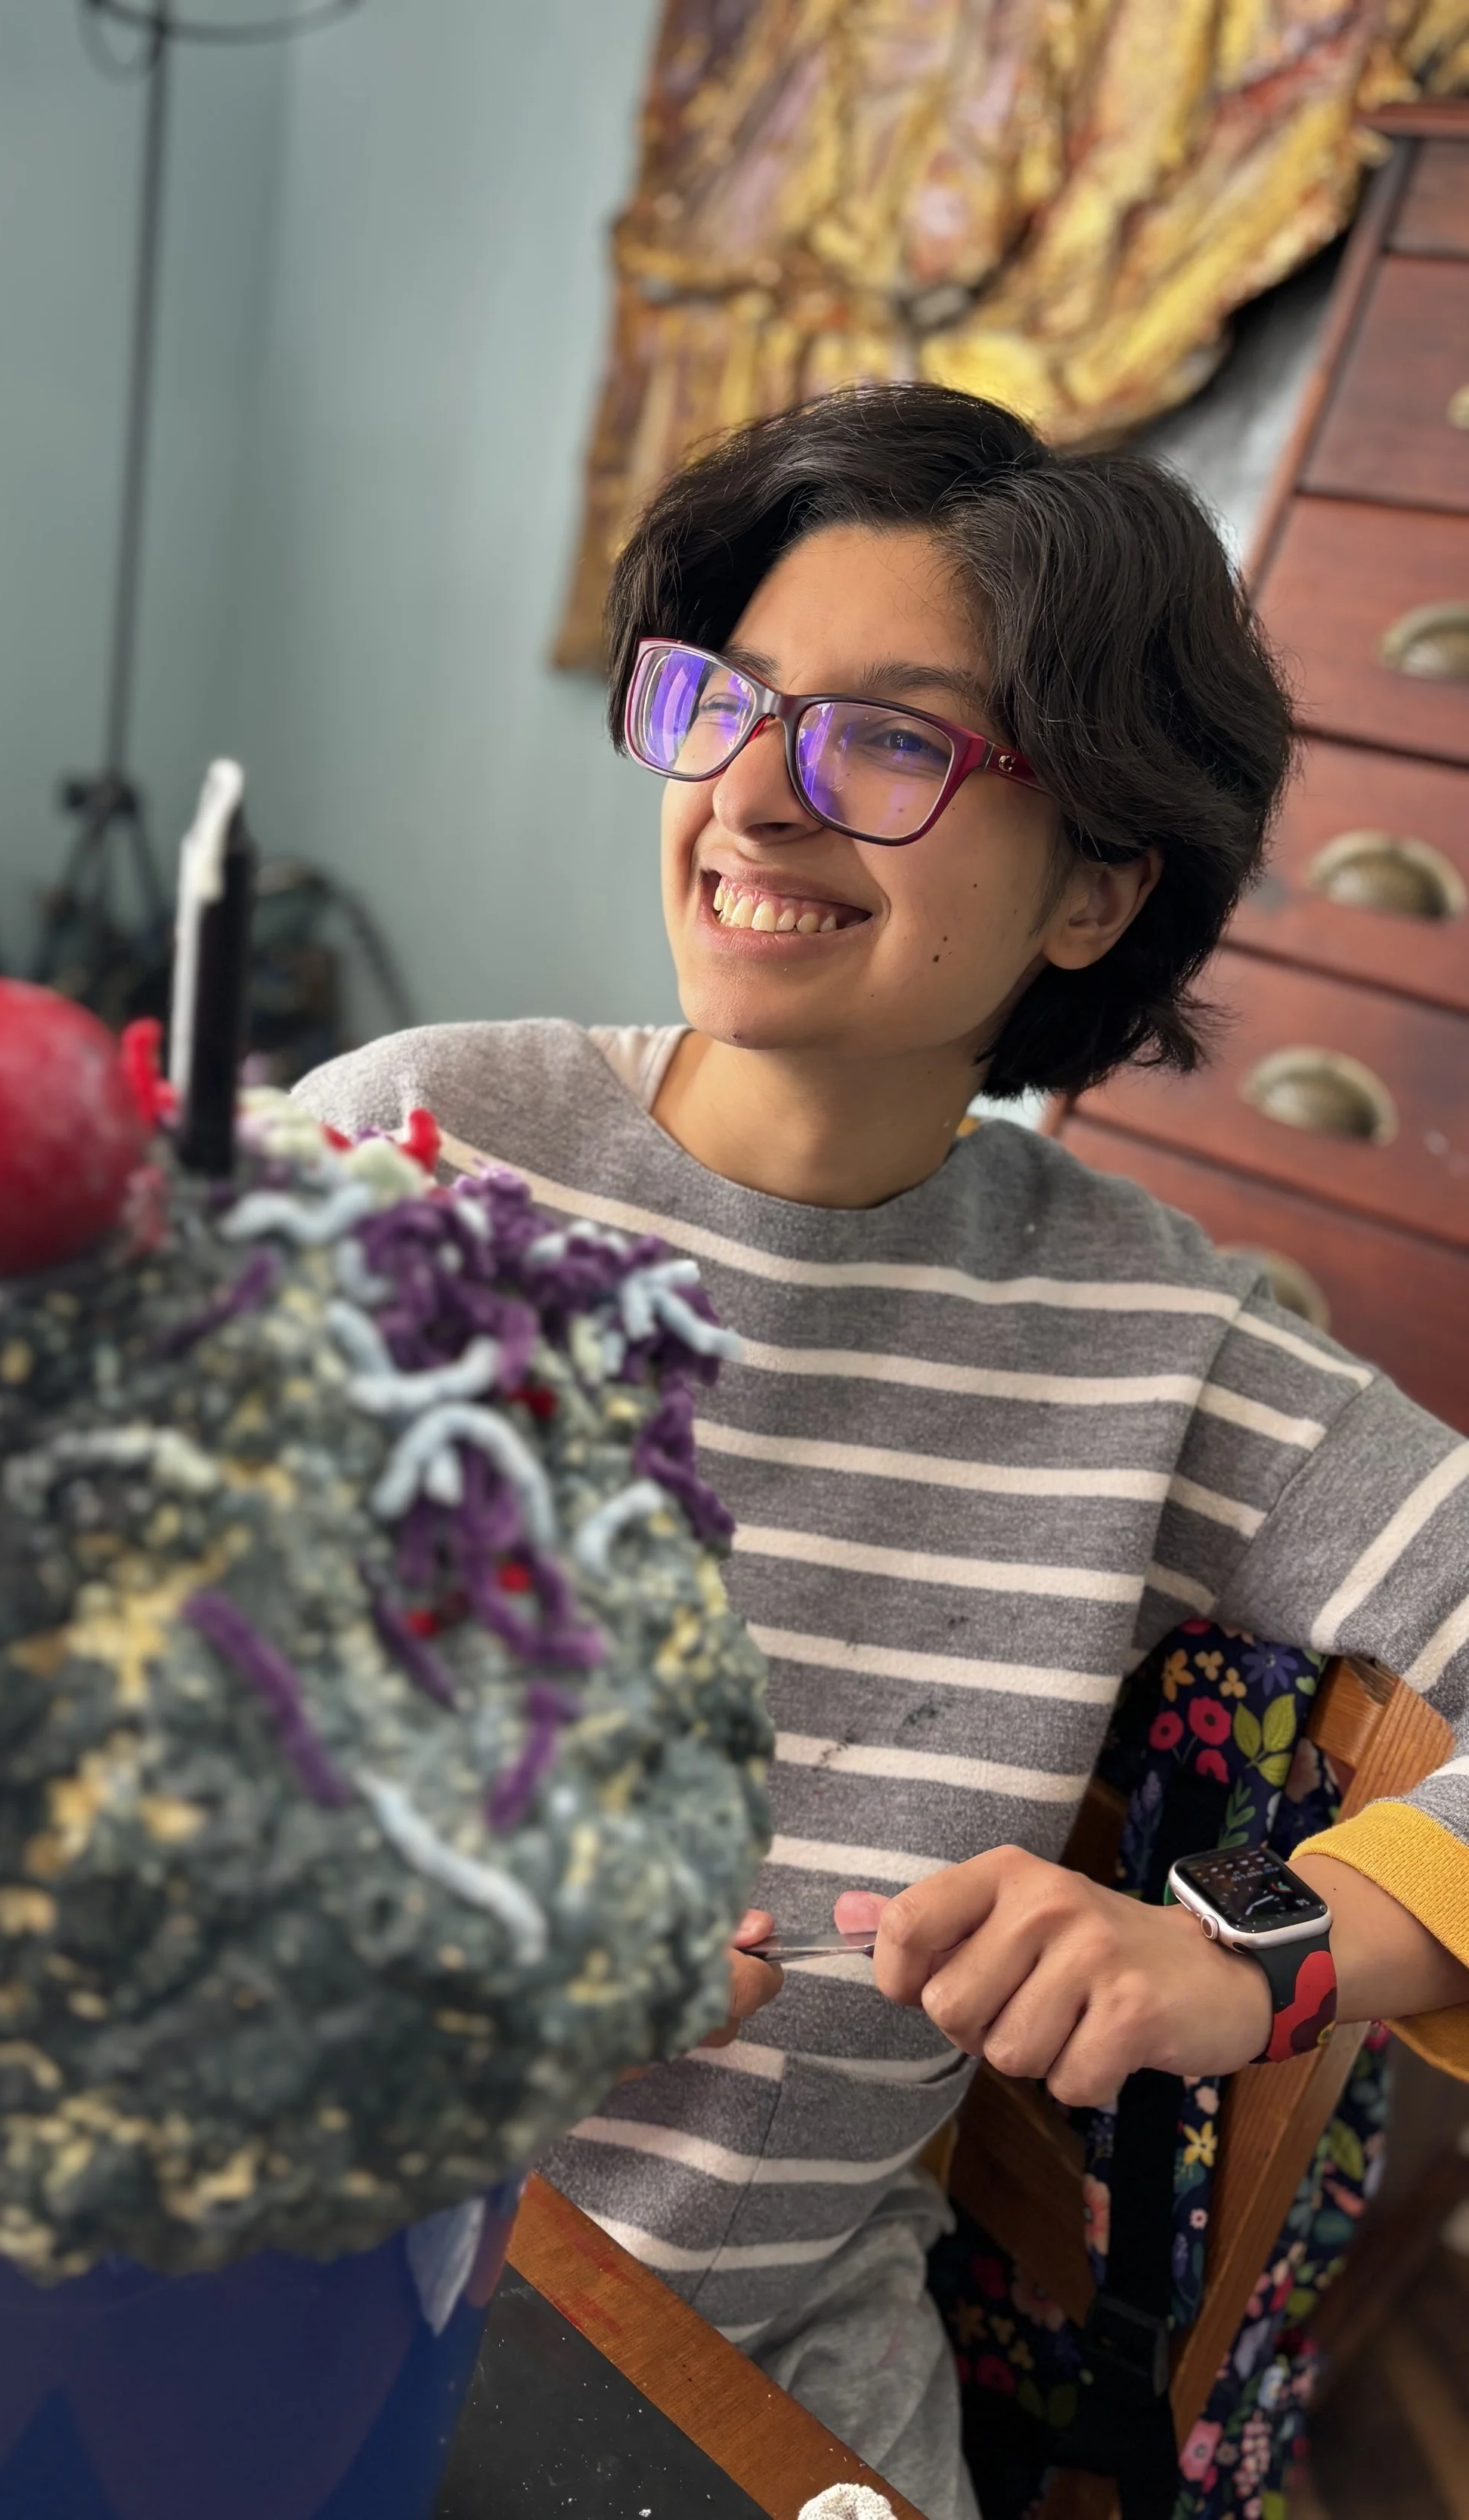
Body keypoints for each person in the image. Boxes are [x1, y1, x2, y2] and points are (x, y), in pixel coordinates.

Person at [295, 383, 1469, 2520]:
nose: (751, 793)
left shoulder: (1161, 1349)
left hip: (745, 2377)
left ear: (1099, 886)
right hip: (267, 2255)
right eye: (721, 700)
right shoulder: (405, 1151)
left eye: (892, 739)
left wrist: (1247, 1951)